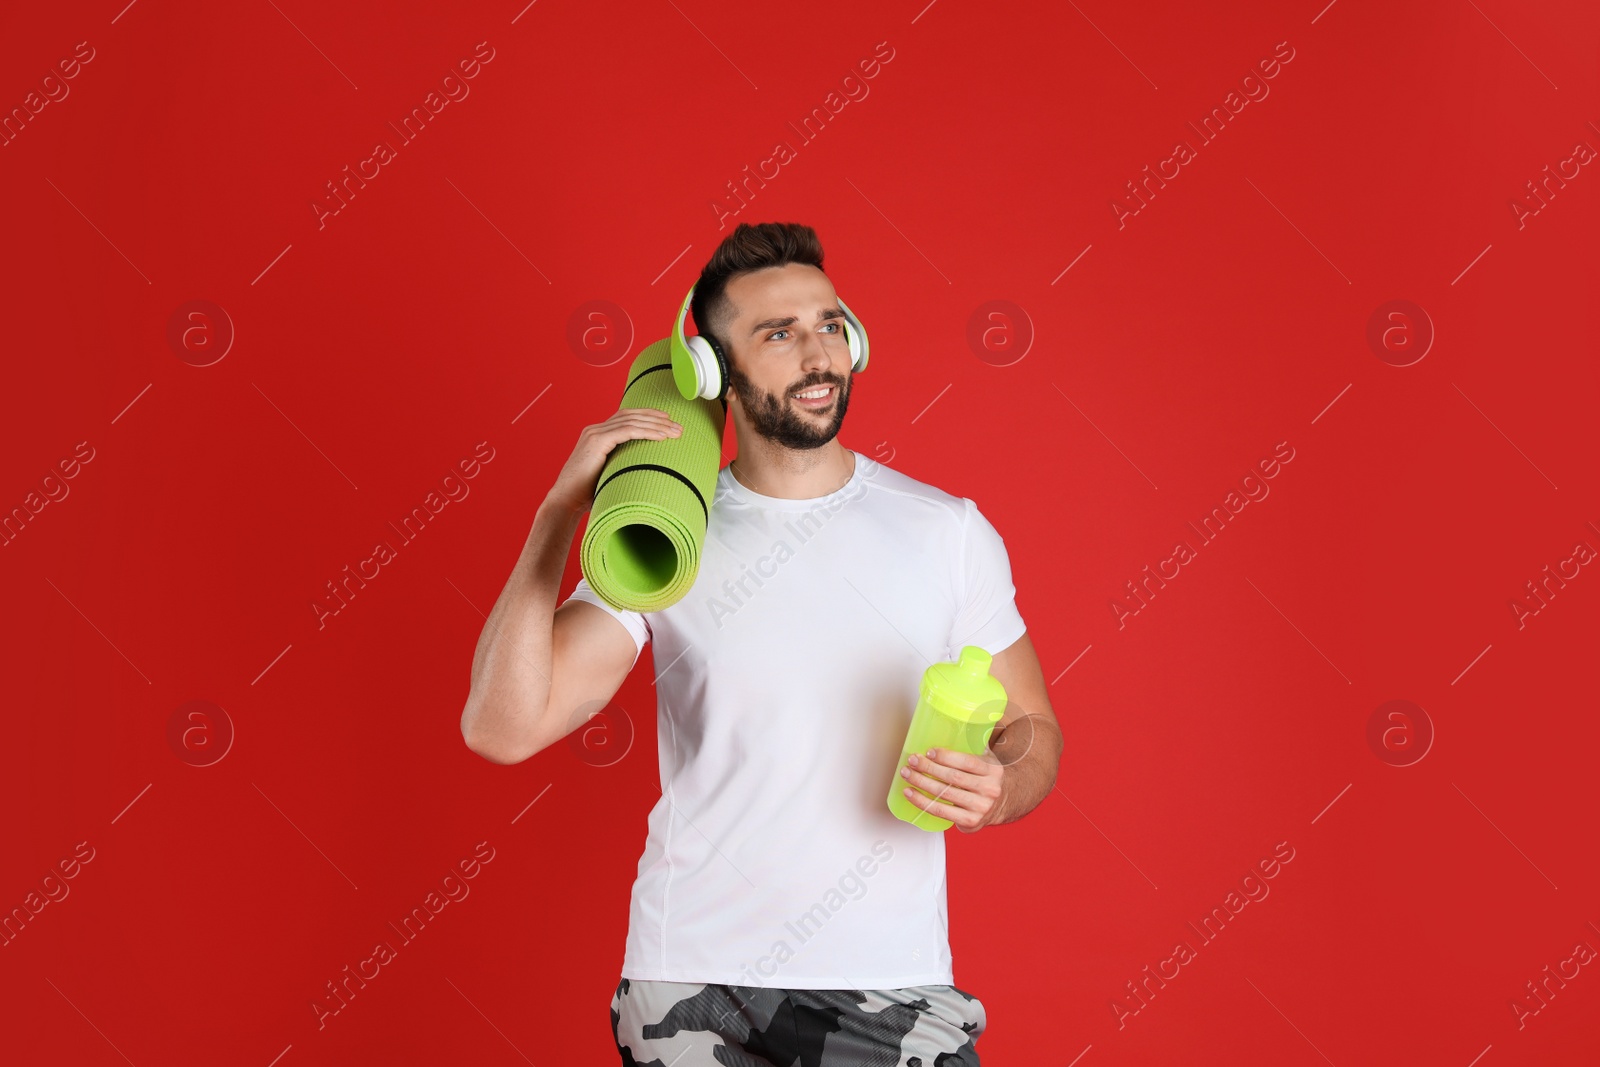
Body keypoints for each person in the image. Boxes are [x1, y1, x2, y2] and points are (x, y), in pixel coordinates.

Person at [459, 222, 1062, 1065]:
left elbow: (1034, 727)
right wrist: (555, 519)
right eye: (778, 334)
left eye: (829, 325)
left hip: (890, 985)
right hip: (693, 981)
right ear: (714, 370)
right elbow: (503, 725)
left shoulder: (947, 532)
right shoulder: (669, 528)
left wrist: (1004, 782)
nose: (818, 354)